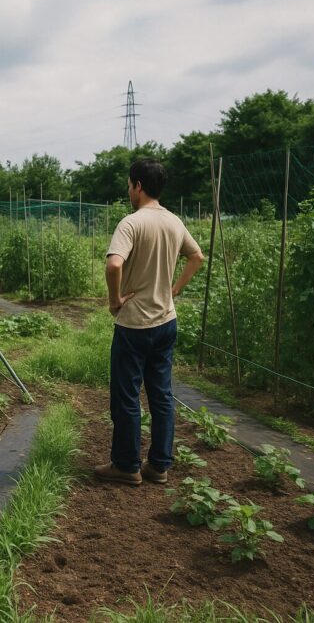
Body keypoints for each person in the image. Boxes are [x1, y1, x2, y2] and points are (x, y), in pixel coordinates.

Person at [95, 159, 205, 485]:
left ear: (138, 186)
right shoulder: (173, 221)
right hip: (166, 321)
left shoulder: (131, 223)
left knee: (127, 396)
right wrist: (174, 290)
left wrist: (115, 301)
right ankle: (158, 466)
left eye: (129, 185)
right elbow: (196, 256)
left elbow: (114, 265)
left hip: (133, 325)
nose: (128, 190)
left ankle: (127, 466)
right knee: (161, 394)